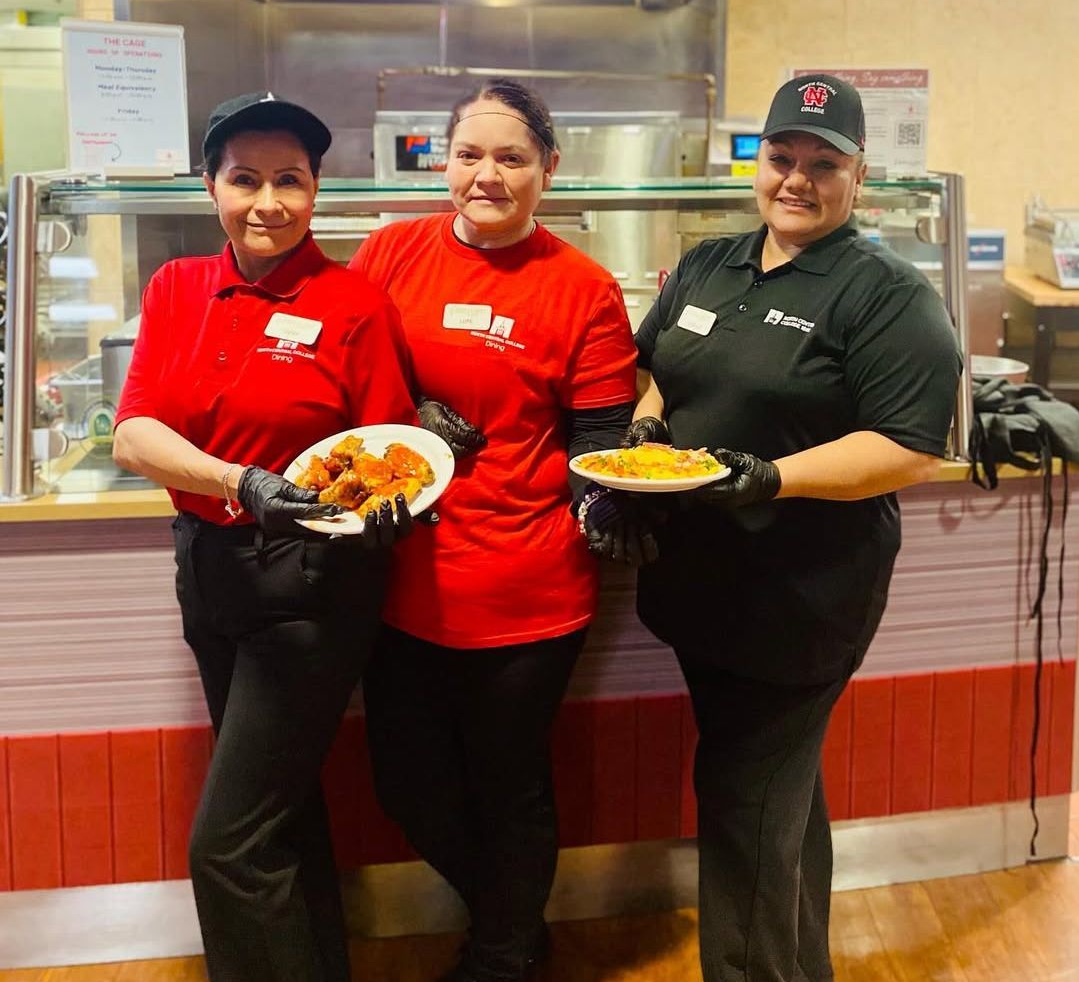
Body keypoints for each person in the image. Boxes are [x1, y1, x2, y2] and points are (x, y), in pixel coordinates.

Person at [622, 73, 962, 982]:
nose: (796, 180)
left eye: (823, 163)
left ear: (859, 174)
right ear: (757, 162)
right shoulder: (709, 263)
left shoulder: (885, 293)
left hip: (801, 598)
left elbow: (906, 447)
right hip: (699, 585)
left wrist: (769, 477)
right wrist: (649, 428)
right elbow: (657, 370)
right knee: (773, 802)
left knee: (743, 804)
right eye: (780, 158)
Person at [112, 91, 421, 982]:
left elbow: (385, 448)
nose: (267, 202)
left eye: (290, 180)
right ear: (211, 185)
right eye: (245, 179)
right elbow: (137, 435)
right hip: (209, 566)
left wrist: (389, 501)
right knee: (276, 815)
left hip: (312, 582)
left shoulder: (353, 303)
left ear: (316, 190)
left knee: (228, 844)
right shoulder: (176, 288)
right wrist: (242, 484)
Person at [351, 78, 637, 982]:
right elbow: (343, 380)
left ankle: (505, 953)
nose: (486, 175)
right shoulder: (390, 253)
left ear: (547, 170)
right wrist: (407, 412)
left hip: (528, 583)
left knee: (509, 785)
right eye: (468, 153)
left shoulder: (584, 289)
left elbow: (597, 441)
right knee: (408, 784)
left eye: (510, 157)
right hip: (401, 575)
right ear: (442, 160)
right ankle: (509, 915)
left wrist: (609, 507)